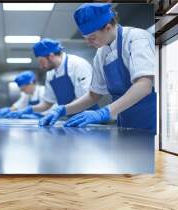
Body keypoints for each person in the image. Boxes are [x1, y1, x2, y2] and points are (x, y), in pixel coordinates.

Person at [39, 3, 156, 133]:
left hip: (150, 122)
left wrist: (104, 112)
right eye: (86, 39)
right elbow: (94, 95)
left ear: (108, 27)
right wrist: (63, 109)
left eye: (92, 38)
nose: (89, 43)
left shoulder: (137, 38)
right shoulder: (101, 54)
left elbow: (144, 85)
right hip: (125, 124)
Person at [4, 38, 99, 119]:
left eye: (42, 62)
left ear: (51, 56)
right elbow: (47, 104)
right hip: (70, 118)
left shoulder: (77, 65)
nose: (41, 66)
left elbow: (86, 97)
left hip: (88, 117)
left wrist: (62, 109)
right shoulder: (51, 74)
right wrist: (29, 109)